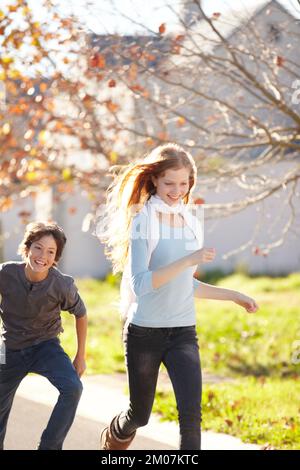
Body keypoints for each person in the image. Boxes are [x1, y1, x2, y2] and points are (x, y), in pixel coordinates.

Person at [99, 143, 258, 450]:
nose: (177, 190)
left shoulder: (191, 222)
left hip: (183, 331)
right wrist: (188, 259)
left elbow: (186, 285)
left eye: (183, 183)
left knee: (191, 417)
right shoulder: (144, 220)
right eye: (169, 183)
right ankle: (117, 434)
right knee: (140, 415)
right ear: (155, 180)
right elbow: (142, 283)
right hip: (145, 333)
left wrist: (234, 295)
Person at [0, 221, 88, 450]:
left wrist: (80, 356)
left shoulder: (62, 284)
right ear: (27, 247)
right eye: (38, 248)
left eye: (51, 252)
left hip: (45, 346)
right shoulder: (6, 273)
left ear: (56, 257)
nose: (43, 256)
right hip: (8, 346)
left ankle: (49, 446)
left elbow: (81, 313)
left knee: (73, 387)